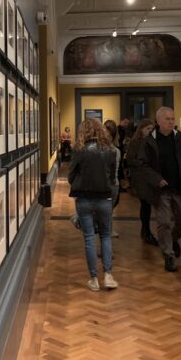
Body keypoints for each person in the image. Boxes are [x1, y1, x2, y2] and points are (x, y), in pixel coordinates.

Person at [135, 107, 181, 272]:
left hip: (180, 187)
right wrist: (157, 179)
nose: (171, 122)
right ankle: (168, 255)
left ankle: (172, 240)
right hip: (160, 190)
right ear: (158, 121)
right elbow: (142, 164)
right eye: (168, 119)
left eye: (172, 118)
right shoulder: (149, 141)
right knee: (163, 222)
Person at [68, 118, 119, 291]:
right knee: (105, 235)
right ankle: (108, 275)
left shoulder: (79, 150)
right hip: (104, 198)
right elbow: (112, 177)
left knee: (89, 237)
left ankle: (94, 279)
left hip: (83, 198)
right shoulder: (110, 150)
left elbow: (71, 176)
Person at [127, 118, 158, 245]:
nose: (150, 132)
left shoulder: (151, 141)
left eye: (152, 129)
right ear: (141, 129)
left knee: (147, 206)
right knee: (145, 205)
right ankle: (146, 231)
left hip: (148, 177)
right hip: (140, 177)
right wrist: (142, 163)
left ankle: (145, 230)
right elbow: (130, 159)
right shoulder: (135, 142)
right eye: (148, 129)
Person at [104, 120, 122, 238]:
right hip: (108, 184)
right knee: (106, 213)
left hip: (112, 185)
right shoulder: (115, 151)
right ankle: (107, 232)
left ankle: (108, 231)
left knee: (107, 212)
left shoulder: (115, 151)